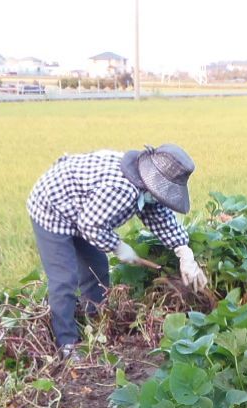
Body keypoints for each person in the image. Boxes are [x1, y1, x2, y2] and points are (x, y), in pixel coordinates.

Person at [26, 143, 207, 358]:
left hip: (84, 210)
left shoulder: (145, 185)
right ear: (151, 183)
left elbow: (161, 217)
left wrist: (183, 251)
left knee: (97, 268)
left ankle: (95, 319)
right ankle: (67, 344)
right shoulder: (122, 189)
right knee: (64, 278)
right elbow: (91, 225)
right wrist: (119, 247)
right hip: (52, 207)